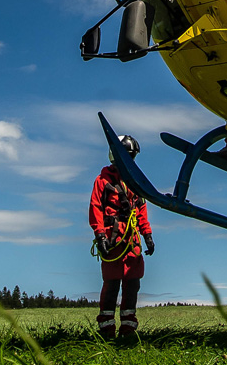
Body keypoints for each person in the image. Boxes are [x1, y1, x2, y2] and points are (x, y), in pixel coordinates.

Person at [89, 135, 153, 339]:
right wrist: (100, 235)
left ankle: (128, 328)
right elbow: (96, 208)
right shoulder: (102, 181)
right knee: (112, 283)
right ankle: (107, 329)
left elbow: (141, 209)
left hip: (132, 241)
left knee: (133, 283)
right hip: (112, 239)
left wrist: (148, 235)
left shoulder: (135, 181)